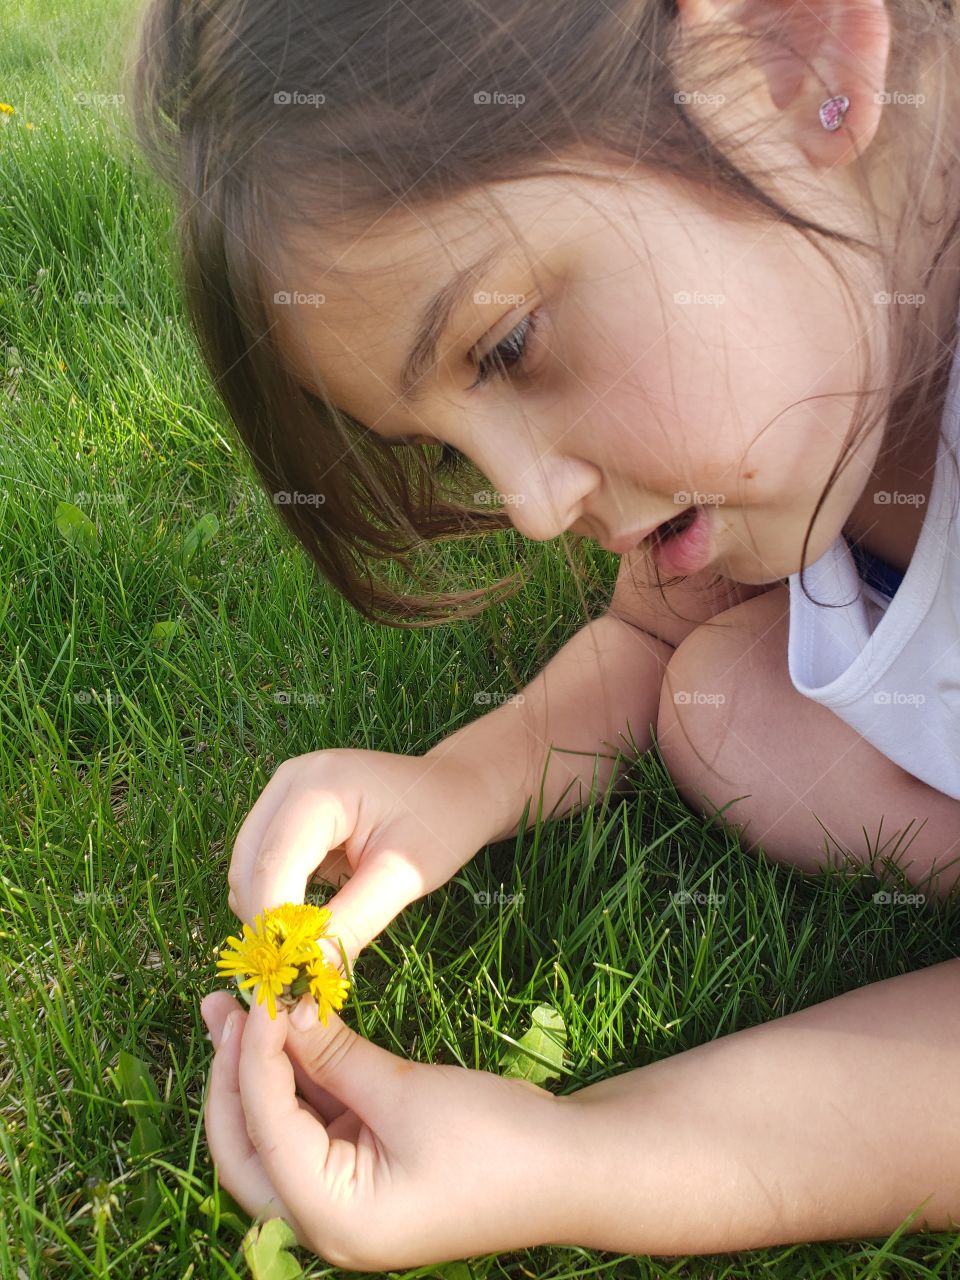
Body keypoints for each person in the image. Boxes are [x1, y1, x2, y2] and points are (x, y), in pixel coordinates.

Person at [125, 0, 960, 1268]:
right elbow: (644, 641)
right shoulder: (806, 398)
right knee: (715, 705)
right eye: (449, 449)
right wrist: (465, 778)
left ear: (792, 56)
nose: (526, 509)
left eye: (508, 345)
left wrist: (585, 1156)